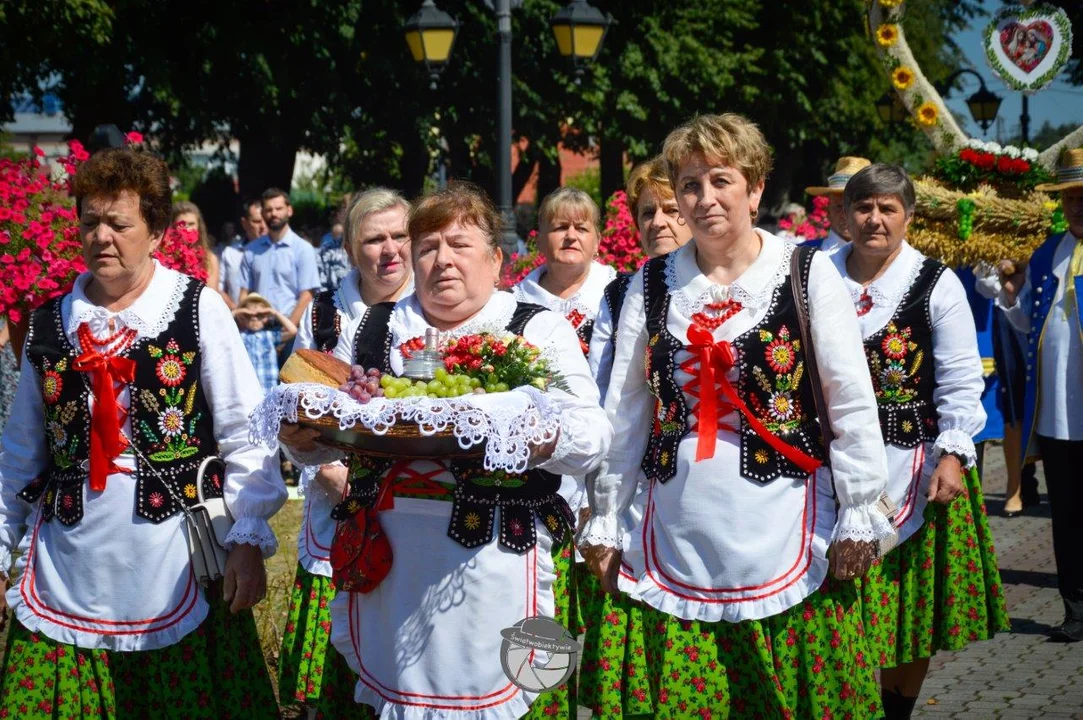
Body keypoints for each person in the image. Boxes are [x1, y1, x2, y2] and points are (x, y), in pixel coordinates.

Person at [577, 113, 892, 718]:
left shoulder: (807, 273)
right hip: (674, 521)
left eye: (721, 180)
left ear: (755, 187)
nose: (704, 199)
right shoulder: (650, 285)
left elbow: (850, 397)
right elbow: (624, 412)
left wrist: (857, 506)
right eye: (690, 184)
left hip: (789, 522)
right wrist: (607, 513)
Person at [279, 182, 612, 719]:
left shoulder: (535, 328)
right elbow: (326, 433)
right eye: (429, 247)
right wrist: (300, 440)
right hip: (386, 566)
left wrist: (531, 436)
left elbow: (592, 435)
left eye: (459, 245)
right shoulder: (373, 326)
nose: (443, 261)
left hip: (502, 559)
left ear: (496, 259)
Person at [0, 146, 285, 716]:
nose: (101, 237)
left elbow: (246, 433)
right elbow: (19, 452)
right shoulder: (50, 322)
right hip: (66, 560)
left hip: (174, 555)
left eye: (119, 223)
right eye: (90, 222)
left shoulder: (197, 309)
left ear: (155, 231)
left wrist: (248, 538)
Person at [831, 164, 1008, 718]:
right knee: (836, 607)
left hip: (913, 465)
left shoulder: (935, 282)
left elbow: (960, 380)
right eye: (864, 207)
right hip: (828, 463)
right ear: (845, 215)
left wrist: (953, 457)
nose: (875, 219)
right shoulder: (815, 273)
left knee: (908, 613)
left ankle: (895, 710)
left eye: (888, 208)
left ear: (908, 216)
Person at [279, 188, 413, 719]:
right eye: (373, 239)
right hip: (339, 497)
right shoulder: (329, 312)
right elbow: (295, 399)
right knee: (337, 675)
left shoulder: (434, 305)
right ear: (351, 248)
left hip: (417, 499)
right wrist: (325, 467)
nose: (389, 250)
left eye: (400, 235)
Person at [997, 147, 1083, 643]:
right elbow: (1032, 327)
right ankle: (1076, 608)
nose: (1077, 205)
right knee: (1067, 514)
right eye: (1069, 196)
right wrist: (1010, 299)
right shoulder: (1049, 251)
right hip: (1056, 415)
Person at [589, 156, 693, 401]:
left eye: (670, 210)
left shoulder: (717, 287)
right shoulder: (618, 295)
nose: (657, 222)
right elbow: (598, 384)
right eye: (648, 213)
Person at [239, 188, 321, 360]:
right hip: (257, 328)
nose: (273, 213)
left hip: (291, 329)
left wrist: (286, 332)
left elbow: (307, 295)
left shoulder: (303, 249)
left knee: (286, 385)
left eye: (278, 208)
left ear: (289, 210)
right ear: (263, 213)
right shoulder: (251, 250)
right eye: (268, 210)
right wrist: (246, 323)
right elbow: (244, 292)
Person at [805, 156, 872, 254]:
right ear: (828, 211)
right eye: (839, 206)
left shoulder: (888, 258)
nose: (847, 215)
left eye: (860, 207)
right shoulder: (801, 255)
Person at [234, 292, 298, 396]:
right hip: (247, 391)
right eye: (249, 315)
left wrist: (274, 313)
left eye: (259, 315)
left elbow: (293, 331)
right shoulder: (240, 337)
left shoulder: (270, 336)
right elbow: (223, 331)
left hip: (269, 391)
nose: (254, 318)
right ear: (243, 317)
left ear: (265, 317)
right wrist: (237, 312)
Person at [220, 199, 266, 309]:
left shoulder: (278, 253)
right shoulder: (230, 253)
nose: (263, 226)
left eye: (266, 221)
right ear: (244, 223)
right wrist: (237, 310)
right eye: (257, 221)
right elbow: (219, 288)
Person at [172, 200, 221, 292]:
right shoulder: (167, 256)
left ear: (199, 226)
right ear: (173, 226)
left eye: (191, 224)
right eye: (181, 224)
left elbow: (212, 293)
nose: (187, 229)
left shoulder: (210, 259)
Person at [316, 198, 352, 294]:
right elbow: (320, 291)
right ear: (339, 215)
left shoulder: (375, 250)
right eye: (345, 210)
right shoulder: (326, 252)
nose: (351, 215)